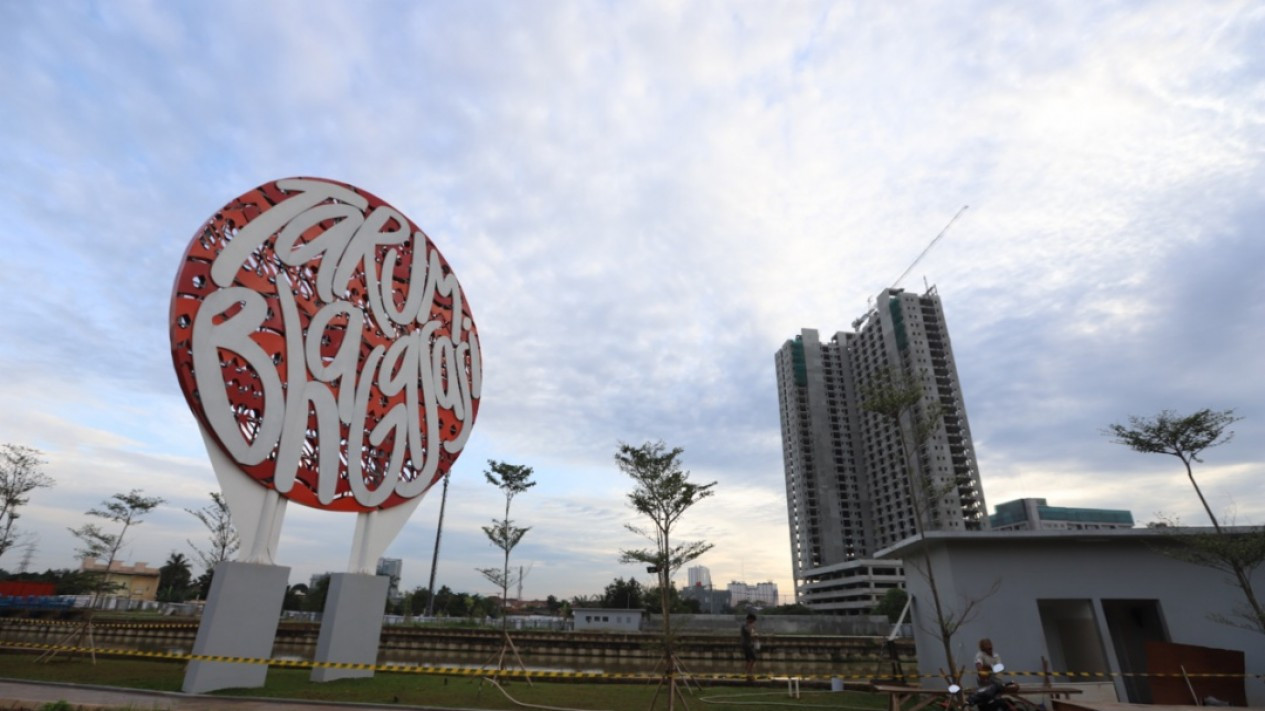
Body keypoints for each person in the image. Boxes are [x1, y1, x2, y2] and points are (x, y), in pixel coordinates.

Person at [740, 613, 759, 679]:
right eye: (753, 620)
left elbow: (753, 634)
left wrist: (755, 637)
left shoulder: (749, 625)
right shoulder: (745, 625)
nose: (754, 622)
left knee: (748, 659)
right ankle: (749, 672)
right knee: (753, 658)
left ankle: (745, 672)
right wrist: (752, 627)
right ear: (750, 619)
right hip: (746, 644)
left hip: (748, 644)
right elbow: (749, 631)